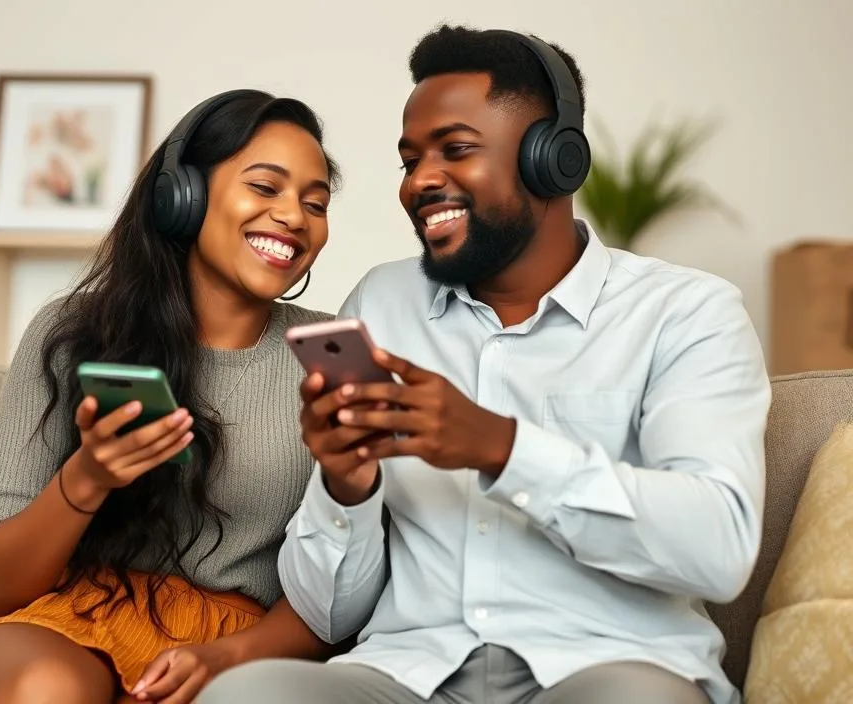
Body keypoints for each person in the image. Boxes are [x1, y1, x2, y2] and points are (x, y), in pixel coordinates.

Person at [198, 25, 770, 704]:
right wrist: (345, 488)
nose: (420, 182)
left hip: (608, 670)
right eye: (411, 160)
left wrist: (502, 446)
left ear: (552, 161)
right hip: (407, 676)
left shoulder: (686, 313)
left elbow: (719, 548)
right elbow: (329, 615)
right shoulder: (384, 303)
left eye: (456, 150)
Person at [0, 89, 343, 704]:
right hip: (67, 625)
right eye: (265, 187)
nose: (294, 217)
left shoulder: (327, 355)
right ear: (185, 195)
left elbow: (340, 585)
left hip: (238, 646)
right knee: (47, 687)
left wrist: (224, 657)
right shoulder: (73, 332)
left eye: (316, 202)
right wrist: (87, 477)